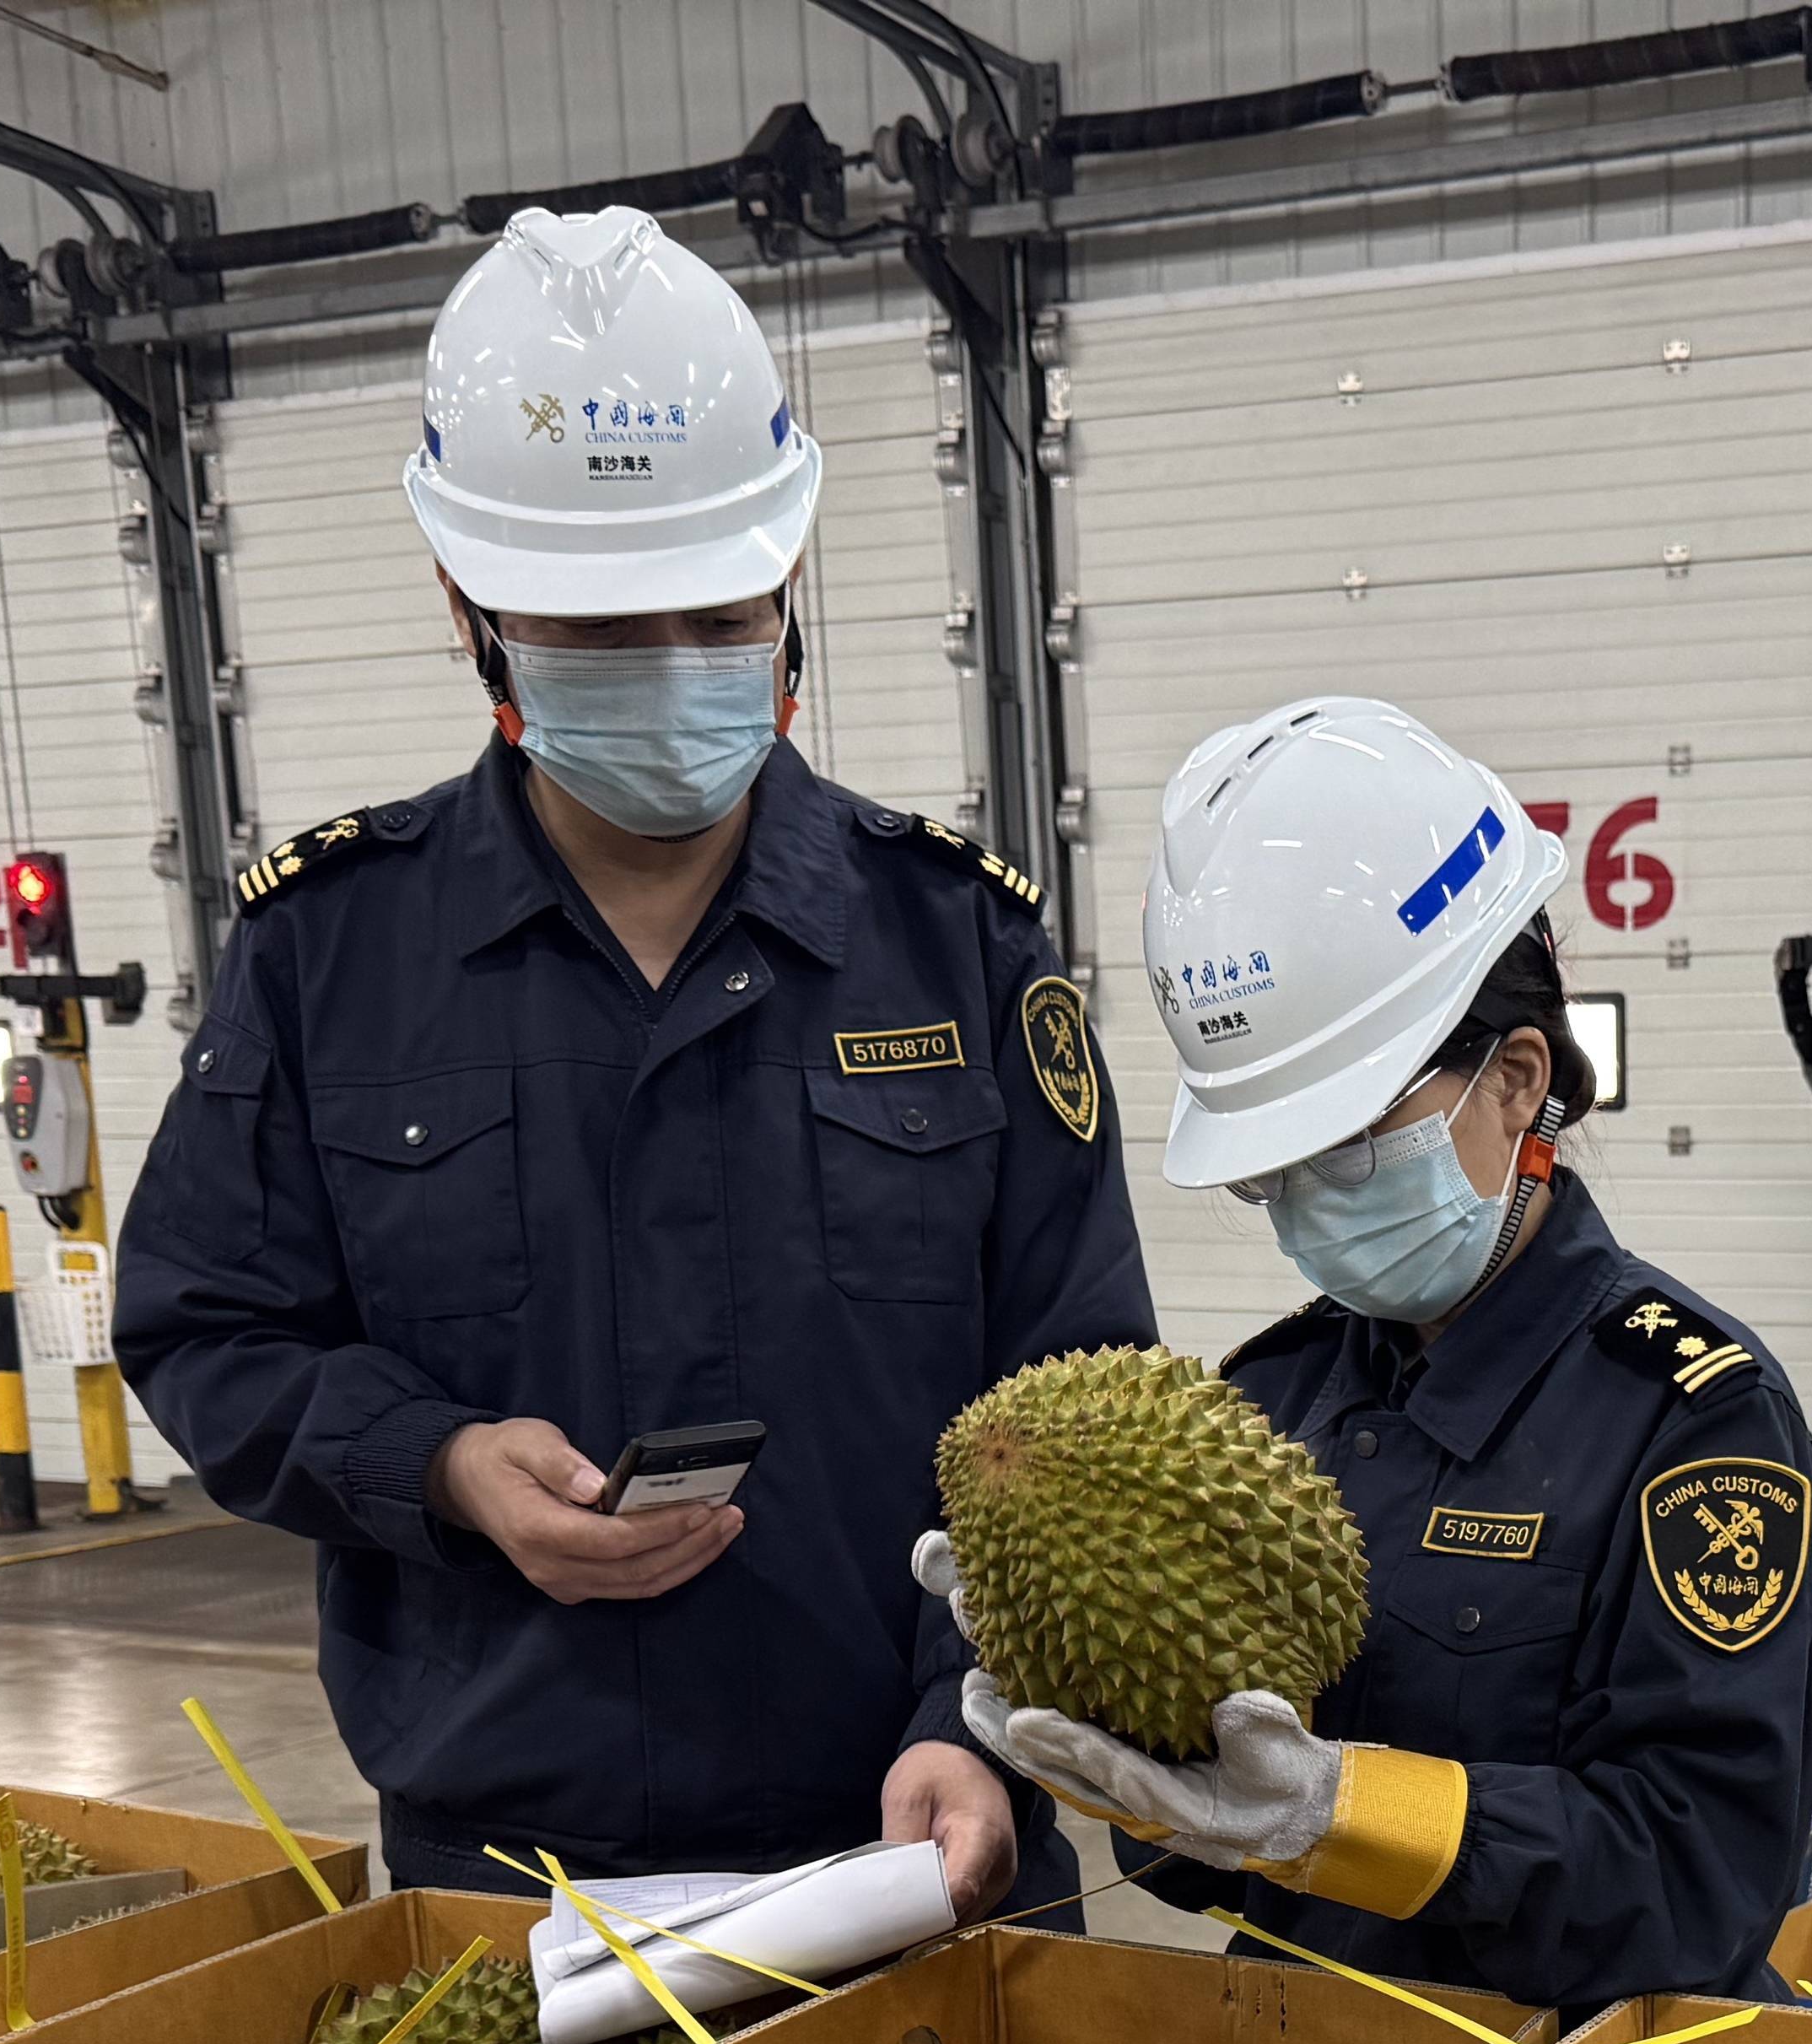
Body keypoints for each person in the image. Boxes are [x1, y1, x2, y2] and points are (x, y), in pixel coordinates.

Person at [118, 205, 1150, 1915]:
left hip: (920, 1843)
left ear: (788, 581)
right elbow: (205, 1329)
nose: (670, 671)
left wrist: (975, 1718)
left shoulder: (954, 945)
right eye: (598, 632)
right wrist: (438, 1463)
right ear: (470, 610)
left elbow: (1080, 1403)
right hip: (511, 1886)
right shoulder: (332, 956)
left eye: (714, 615)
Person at [943, 696, 1812, 2019]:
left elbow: (1698, 1884)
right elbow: (1207, 1868)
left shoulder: (1697, 1425)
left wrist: (1349, 1814)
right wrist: (1128, 1749)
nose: (1307, 1204)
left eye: (1347, 1144)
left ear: (1516, 1080)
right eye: (1272, 1168)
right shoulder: (1268, 1402)